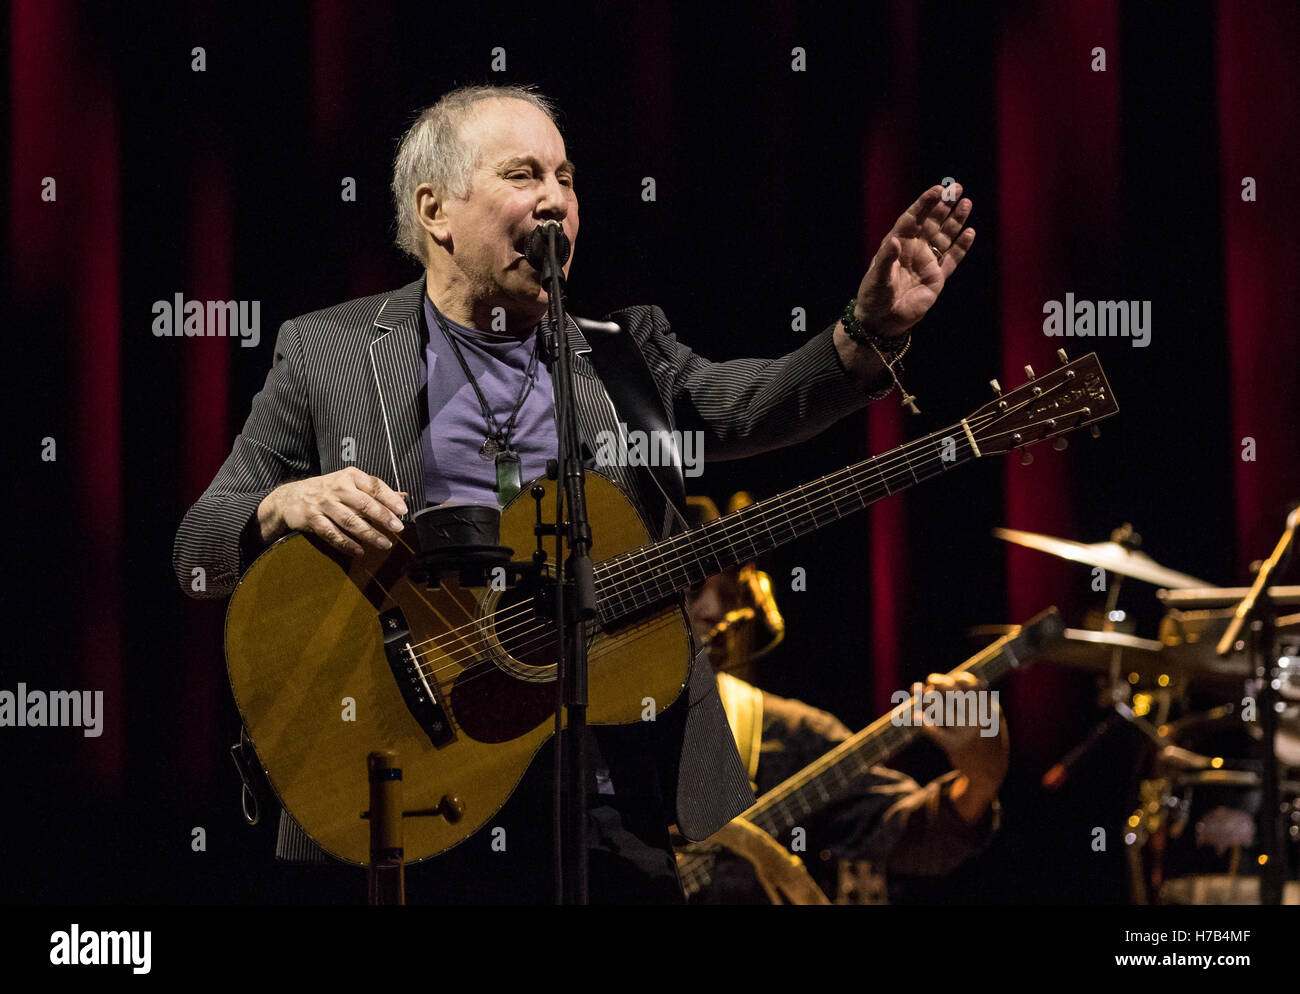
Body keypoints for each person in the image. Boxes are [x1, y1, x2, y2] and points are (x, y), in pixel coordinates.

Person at [172, 83, 978, 903]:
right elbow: (199, 546)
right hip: (402, 773)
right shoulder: (327, 352)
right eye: (523, 175)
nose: (555, 200)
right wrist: (284, 505)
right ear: (435, 210)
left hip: (611, 783)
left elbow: (755, 401)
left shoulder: (626, 355)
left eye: (567, 177)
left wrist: (867, 329)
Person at [683, 495, 1006, 904]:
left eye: (728, 586)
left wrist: (980, 779)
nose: (713, 609)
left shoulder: (792, 731)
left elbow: (910, 836)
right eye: (693, 585)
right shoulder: (587, 723)